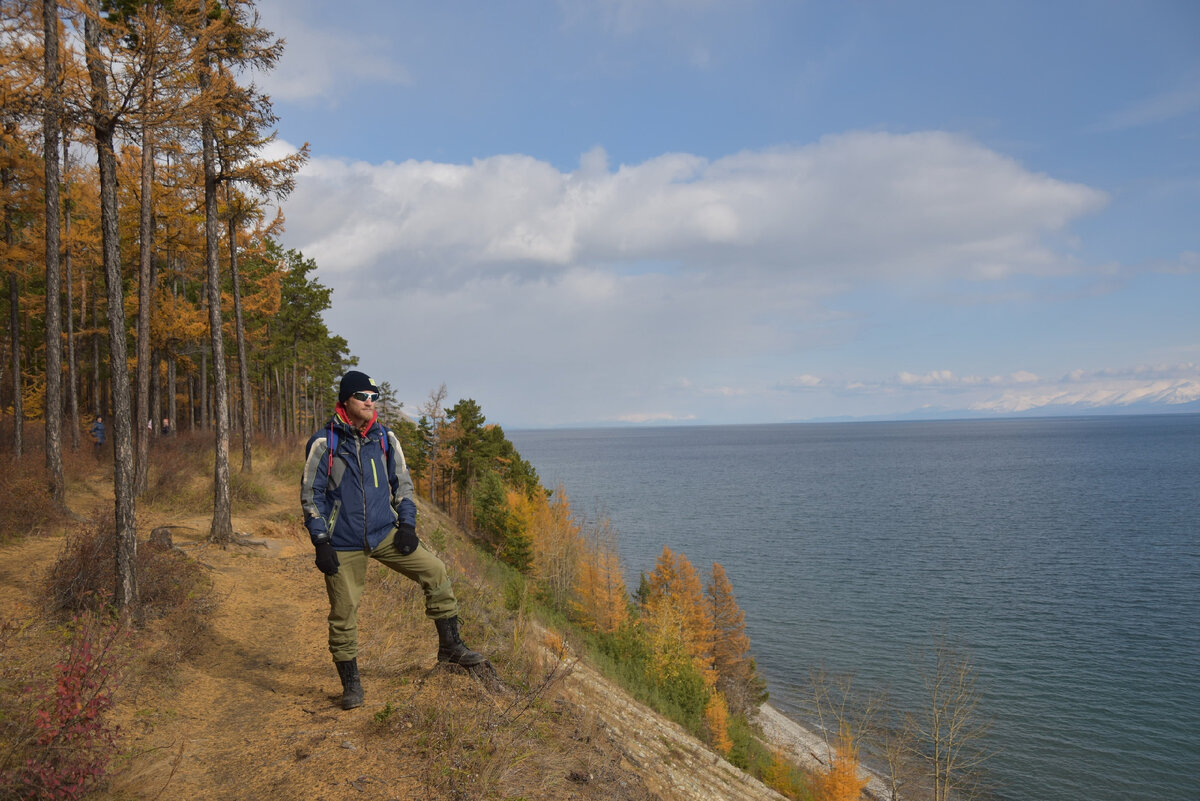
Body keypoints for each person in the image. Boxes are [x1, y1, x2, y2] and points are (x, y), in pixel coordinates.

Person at [301, 370, 484, 710]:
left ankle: (450, 648)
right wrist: (321, 541)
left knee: (435, 570)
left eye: (374, 397)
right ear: (346, 400)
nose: (370, 403)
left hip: (384, 532)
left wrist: (408, 526)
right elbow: (311, 496)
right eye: (363, 397)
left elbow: (403, 485)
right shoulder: (325, 443)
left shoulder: (385, 438)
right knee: (344, 612)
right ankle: (351, 684)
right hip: (342, 542)